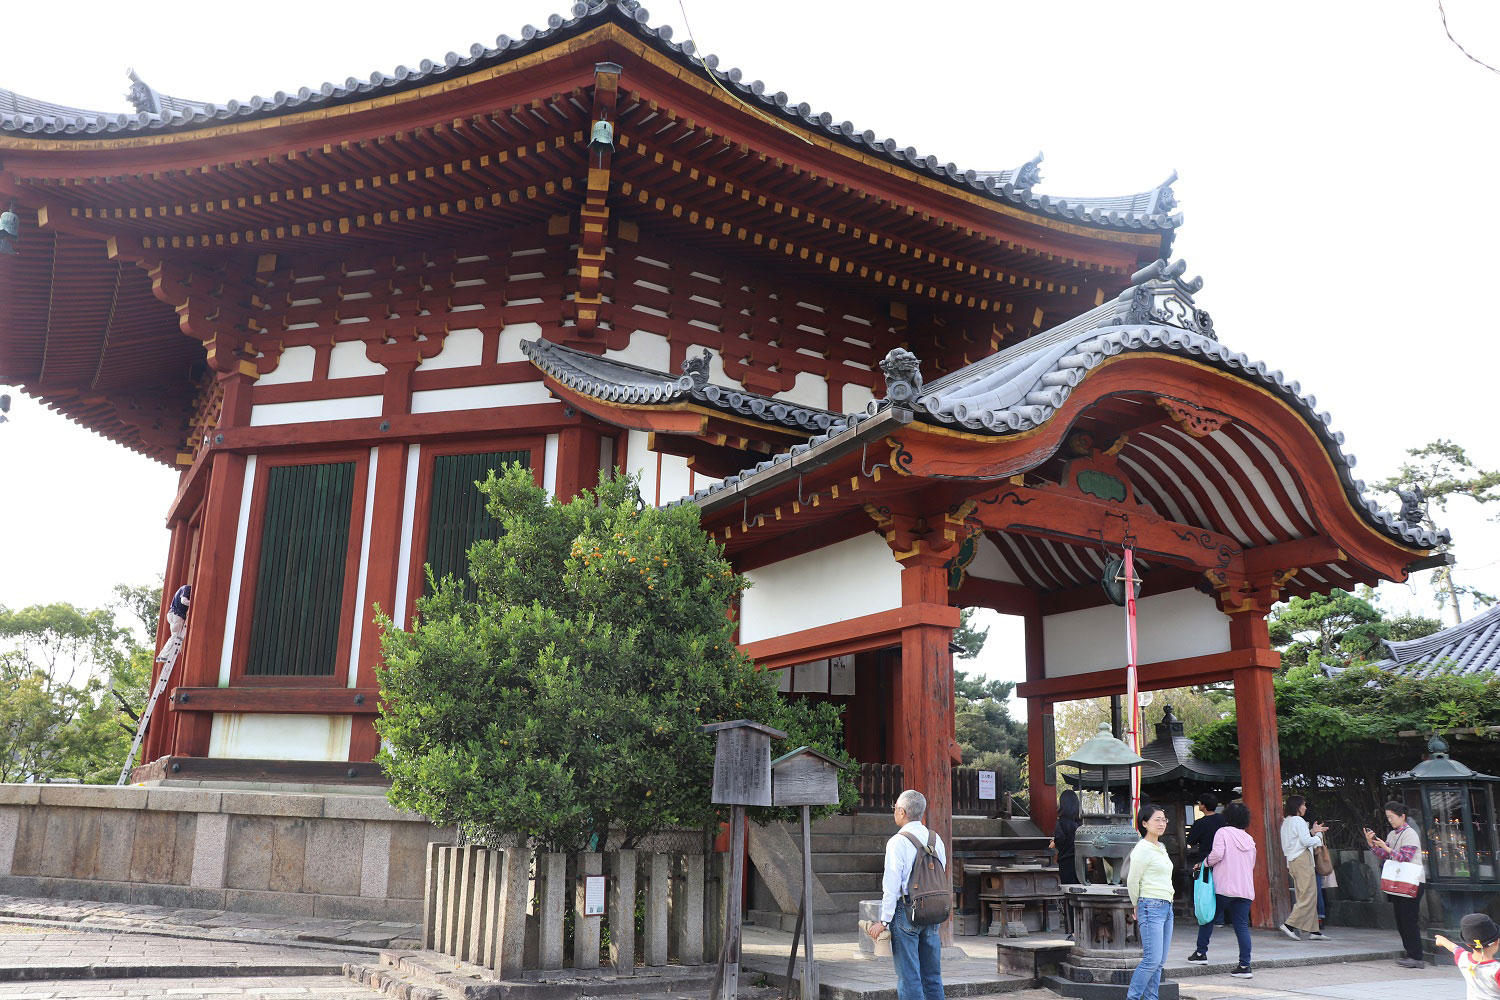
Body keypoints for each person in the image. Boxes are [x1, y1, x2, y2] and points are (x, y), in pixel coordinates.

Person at [866, 789, 946, 1000]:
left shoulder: (897, 841)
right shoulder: (936, 839)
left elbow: (891, 885)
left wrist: (883, 920)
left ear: (901, 811)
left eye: (895, 808)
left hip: (907, 910)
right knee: (932, 975)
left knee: (909, 975)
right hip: (933, 909)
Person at [1186, 802, 1256, 979]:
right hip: (1245, 888)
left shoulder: (1223, 833)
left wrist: (1203, 864)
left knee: (1207, 917)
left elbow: (1217, 854)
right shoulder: (1249, 838)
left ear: (1227, 816)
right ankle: (1245, 965)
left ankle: (1201, 953)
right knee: (1241, 927)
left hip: (1224, 886)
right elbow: (1252, 863)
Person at [1367, 799, 1426, 969]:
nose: (1390, 820)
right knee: (1401, 920)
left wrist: (1385, 848)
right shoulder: (1393, 834)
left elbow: (1404, 857)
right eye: (1388, 817)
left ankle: (1416, 956)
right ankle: (1410, 954)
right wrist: (1372, 844)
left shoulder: (1410, 833)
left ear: (1402, 816)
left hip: (1412, 882)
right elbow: (1385, 855)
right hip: (1399, 882)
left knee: (1409, 919)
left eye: (1392, 817)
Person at [1125, 803, 1174, 1000]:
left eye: (1164, 820)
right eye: (1157, 820)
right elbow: (1132, 879)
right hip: (1150, 905)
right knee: (1151, 960)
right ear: (1145, 823)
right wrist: (1136, 904)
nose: (1161, 823)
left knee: (1159, 962)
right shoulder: (1142, 848)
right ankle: (1133, 998)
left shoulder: (1161, 847)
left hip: (1166, 905)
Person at [1279, 795, 1331, 941]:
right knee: (1308, 894)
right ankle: (1289, 925)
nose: (1305, 807)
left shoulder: (1287, 822)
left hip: (1292, 861)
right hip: (1302, 860)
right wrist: (1319, 835)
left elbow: (1298, 840)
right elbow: (1307, 841)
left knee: (1306, 894)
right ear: (1297, 806)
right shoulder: (1298, 820)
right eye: (1303, 805)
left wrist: (1313, 832)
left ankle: (1313, 930)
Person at [1435, 913, 1500, 998]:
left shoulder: (1463, 959)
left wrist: (1442, 941)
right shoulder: (1496, 969)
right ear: (1496, 942)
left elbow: (1454, 948)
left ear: (1468, 944)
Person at [1051, 789, 1084, 938]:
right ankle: (1083, 929)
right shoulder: (1082, 822)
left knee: (1070, 897)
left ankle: (1074, 931)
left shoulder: (1061, 822)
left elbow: (1061, 841)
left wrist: (1054, 843)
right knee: (1082, 896)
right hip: (1082, 862)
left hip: (1067, 862)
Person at [1185, 792, 1225, 867]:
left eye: (1199, 803)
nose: (1199, 804)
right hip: (1223, 857)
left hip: (1206, 858)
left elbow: (1191, 840)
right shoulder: (1223, 819)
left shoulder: (1200, 823)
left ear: (1204, 806)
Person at [157, 583, 191, 662]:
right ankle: (165, 656)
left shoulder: (182, 589)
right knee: (176, 636)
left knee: (174, 636)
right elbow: (184, 601)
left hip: (173, 614)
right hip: (177, 614)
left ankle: (161, 655)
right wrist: (194, 603)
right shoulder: (187, 588)